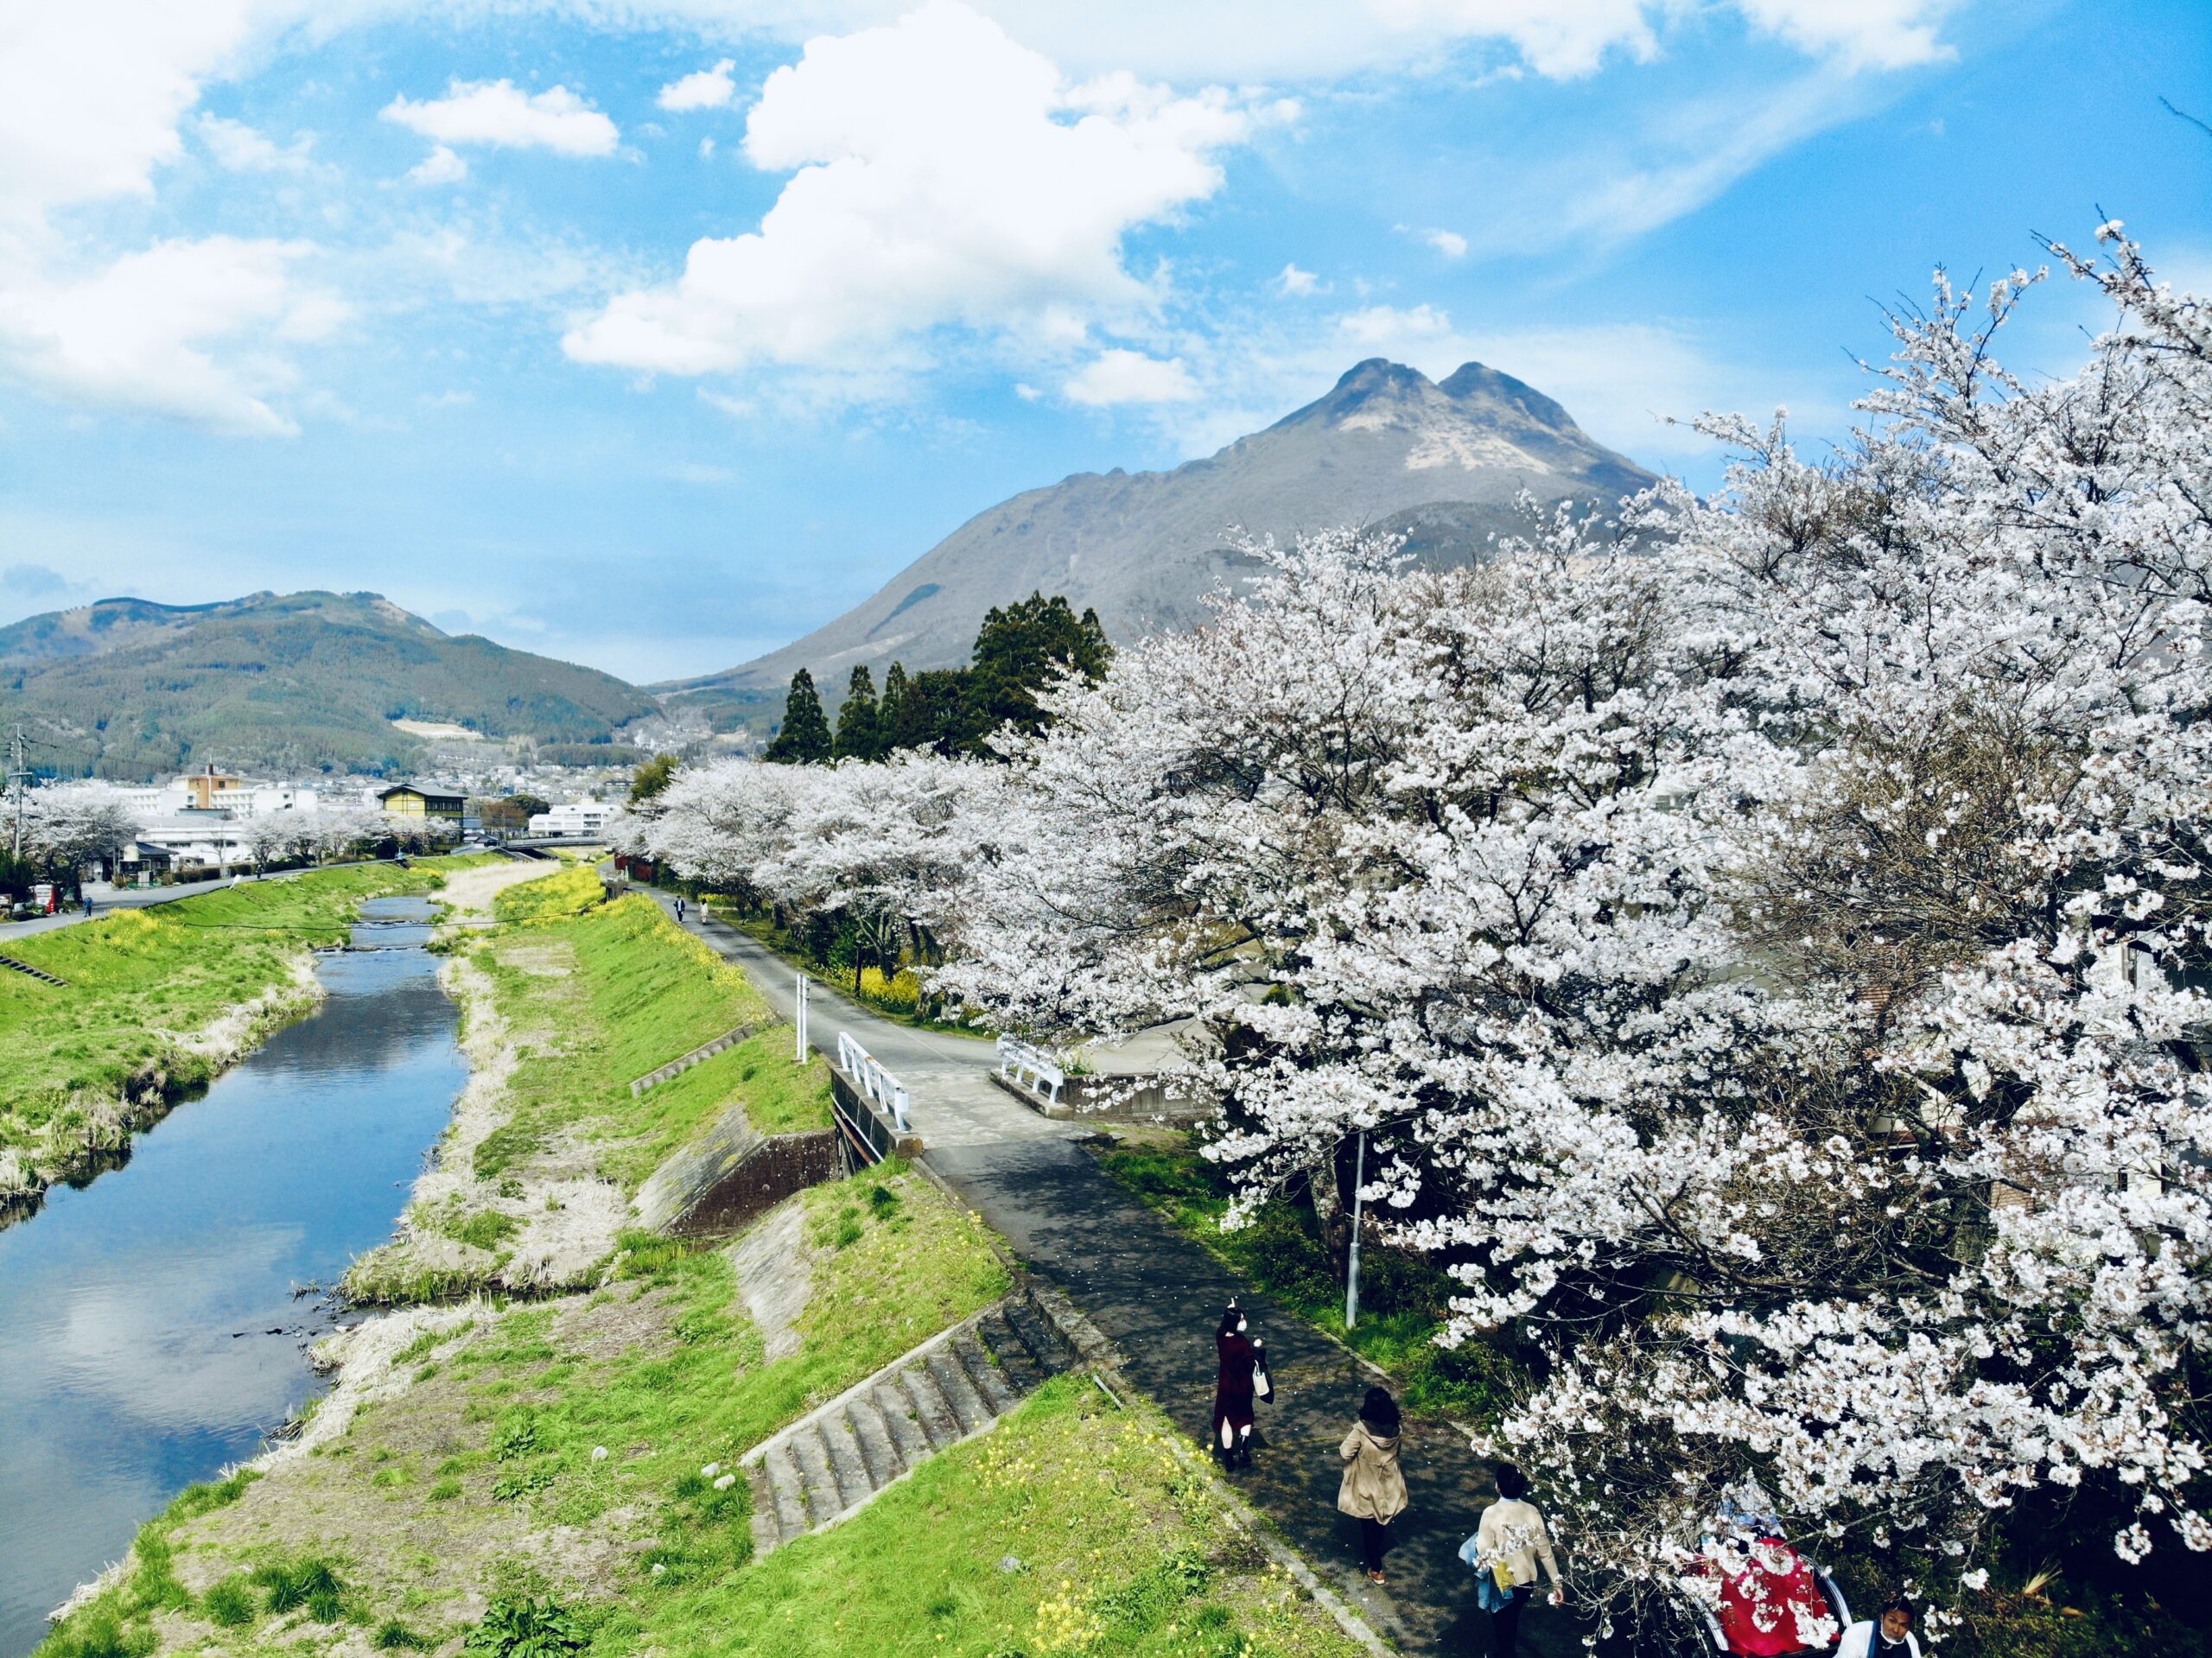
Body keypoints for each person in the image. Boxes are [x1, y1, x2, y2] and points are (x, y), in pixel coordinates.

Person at [1463, 1464, 1563, 1658]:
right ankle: (1506, 1652)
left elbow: (1483, 1550)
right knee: (1511, 1619)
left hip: (1502, 1581)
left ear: (1497, 1486)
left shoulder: (1491, 1513)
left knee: (1502, 1622)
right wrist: (1556, 1583)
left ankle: (1505, 1653)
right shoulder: (1532, 1511)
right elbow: (1545, 1553)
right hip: (1526, 1582)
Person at [1338, 1386, 1408, 1585]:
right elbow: (1398, 1452)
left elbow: (1345, 1452)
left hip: (1366, 1482)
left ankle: (1376, 1569)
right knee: (1380, 1520)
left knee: (1367, 1524)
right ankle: (1377, 1550)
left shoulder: (1361, 1431)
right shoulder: (1396, 1430)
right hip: (1389, 1481)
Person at [1212, 1302, 1256, 1469]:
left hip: (1226, 1386)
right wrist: (1257, 1349)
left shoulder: (1220, 1337)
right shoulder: (1242, 1343)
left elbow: (1223, 1325)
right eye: (1241, 1319)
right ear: (1235, 1322)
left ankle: (1229, 1458)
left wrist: (1230, 1309)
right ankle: (1244, 1449)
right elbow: (1250, 1364)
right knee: (1245, 1416)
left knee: (1226, 1422)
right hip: (1243, 1386)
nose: (1244, 1322)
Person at [1838, 1600, 1920, 1658]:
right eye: (1892, 1621)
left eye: (1904, 1626)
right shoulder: (1857, 1633)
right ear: (1882, 1617)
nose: (1896, 1630)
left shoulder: (1909, 1640)